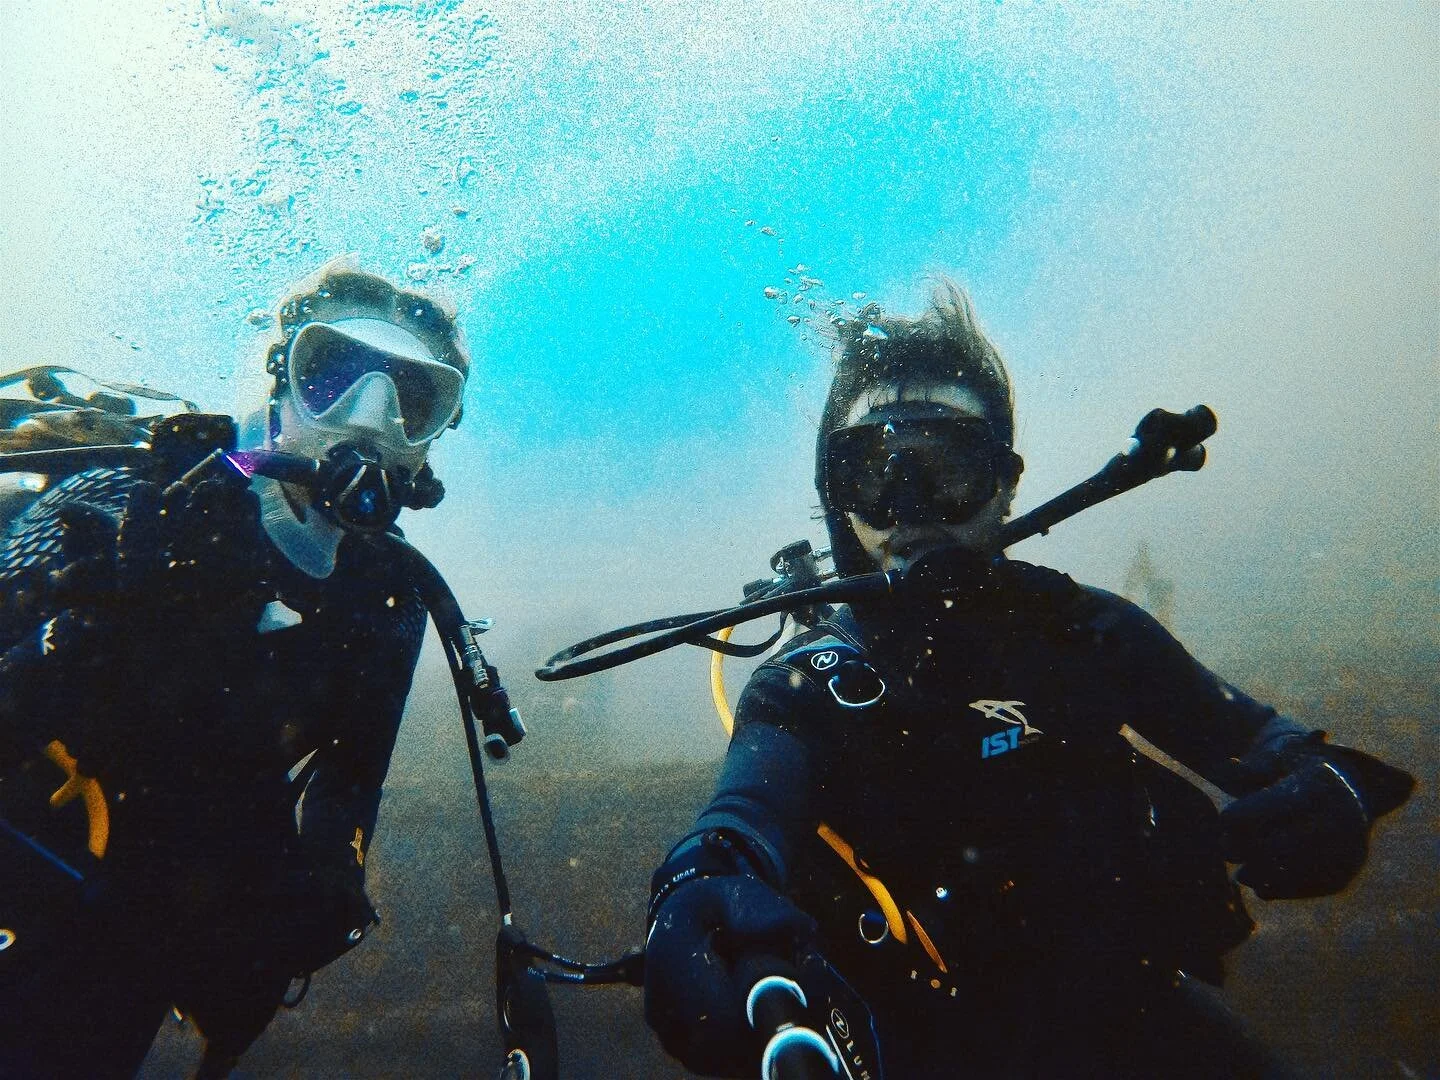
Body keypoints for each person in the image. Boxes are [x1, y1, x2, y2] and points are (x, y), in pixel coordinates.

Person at [641, 281, 1414, 1078]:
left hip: (1129, 1021)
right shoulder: (808, 685)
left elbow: (1265, 742)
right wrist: (698, 884)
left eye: (947, 466)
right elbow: (742, 815)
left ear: (1006, 482)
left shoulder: (1083, 629)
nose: (912, 506)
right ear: (840, 503)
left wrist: (1334, 788)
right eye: (875, 471)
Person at [0, 257, 470, 1078]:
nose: (369, 420)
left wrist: (325, 876)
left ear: (429, 441)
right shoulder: (136, 495)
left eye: (412, 402)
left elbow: (353, 777)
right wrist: (101, 620)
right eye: (335, 376)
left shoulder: (388, 598)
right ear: (281, 382)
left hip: (133, 940)